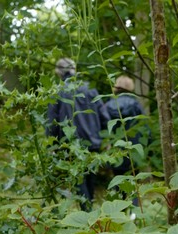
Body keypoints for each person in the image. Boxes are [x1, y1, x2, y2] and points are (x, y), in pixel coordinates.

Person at [46, 58, 108, 209]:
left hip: (71, 144)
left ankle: (87, 216)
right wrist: (106, 140)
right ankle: (90, 214)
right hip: (93, 142)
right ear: (75, 69)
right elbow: (104, 116)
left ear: (58, 72)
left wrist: (52, 145)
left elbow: (52, 121)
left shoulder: (58, 91)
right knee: (90, 179)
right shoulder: (90, 89)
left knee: (79, 181)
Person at [104, 75, 150, 205]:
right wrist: (146, 147)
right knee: (133, 181)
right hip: (134, 150)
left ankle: (119, 210)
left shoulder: (107, 105)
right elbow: (145, 128)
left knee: (118, 180)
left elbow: (104, 128)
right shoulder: (136, 105)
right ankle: (134, 212)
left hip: (115, 151)